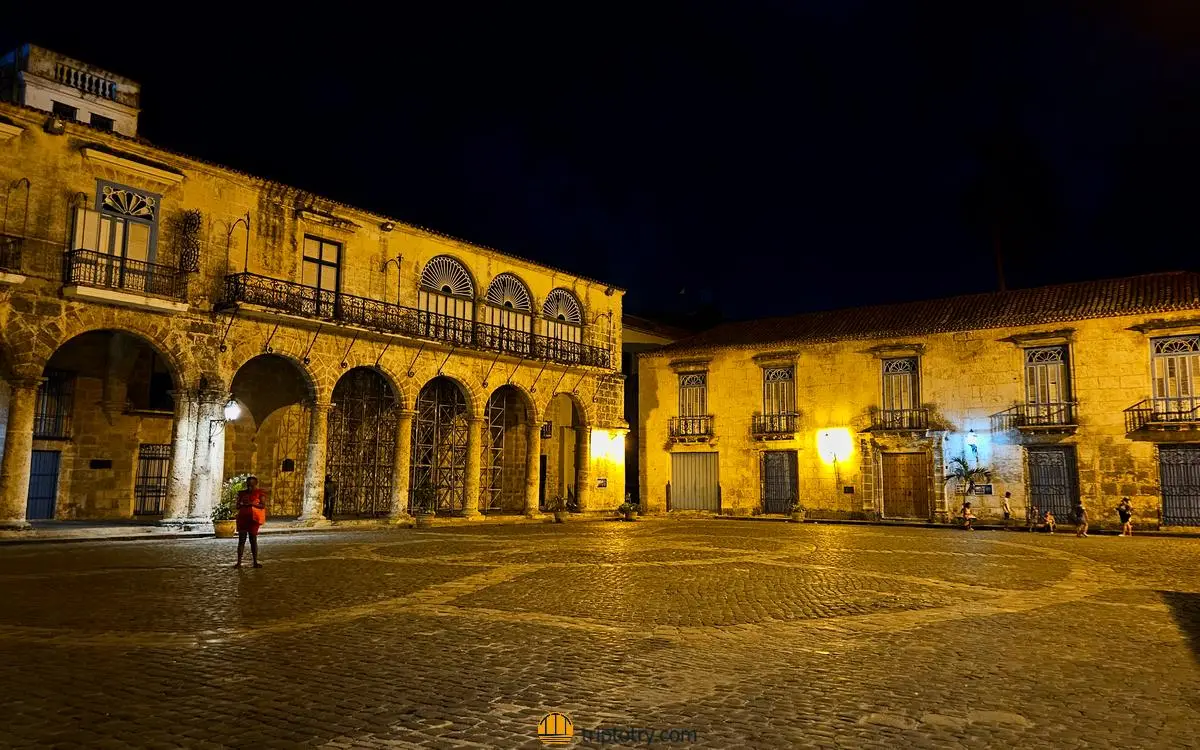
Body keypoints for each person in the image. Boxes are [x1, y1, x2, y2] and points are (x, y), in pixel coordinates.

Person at [235, 476, 267, 568]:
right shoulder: (242, 493)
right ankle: (239, 562)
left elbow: (262, 505)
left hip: (253, 519)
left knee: (253, 540)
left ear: (255, 484)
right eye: (248, 485)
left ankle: (255, 562)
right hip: (242, 518)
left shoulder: (260, 493)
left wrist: (252, 503)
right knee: (241, 540)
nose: (250, 487)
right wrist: (241, 504)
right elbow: (237, 506)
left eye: (252, 485)